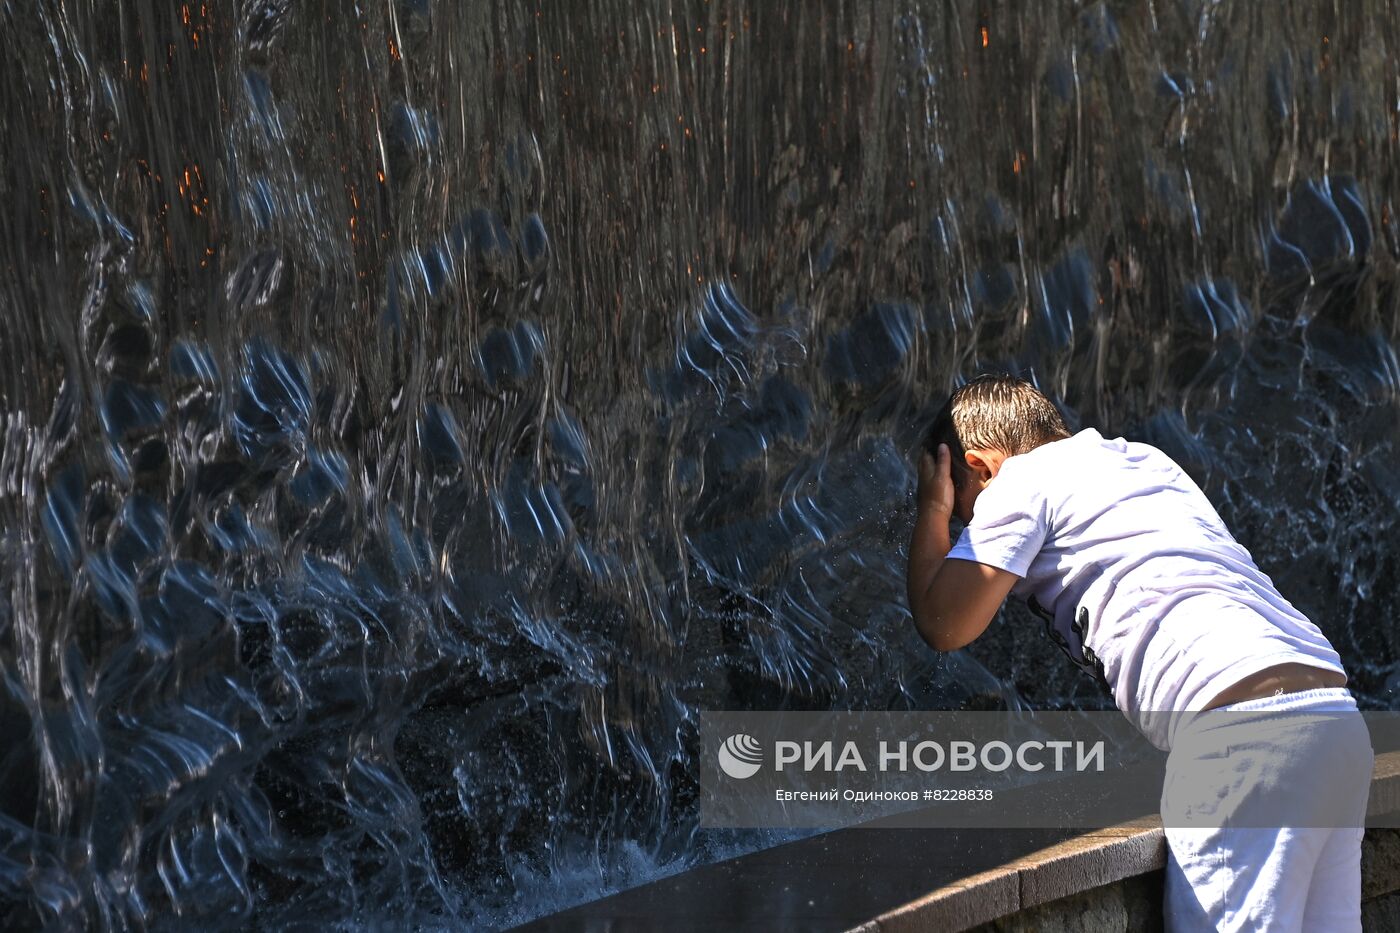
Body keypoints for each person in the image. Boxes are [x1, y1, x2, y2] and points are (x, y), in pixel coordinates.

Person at [906, 373, 1374, 932]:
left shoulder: (1020, 481)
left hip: (1240, 739)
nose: (968, 533)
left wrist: (932, 510)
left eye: (967, 519)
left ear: (981, 467)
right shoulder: (1144, 462)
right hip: (1331, 716)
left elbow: (943, 624)